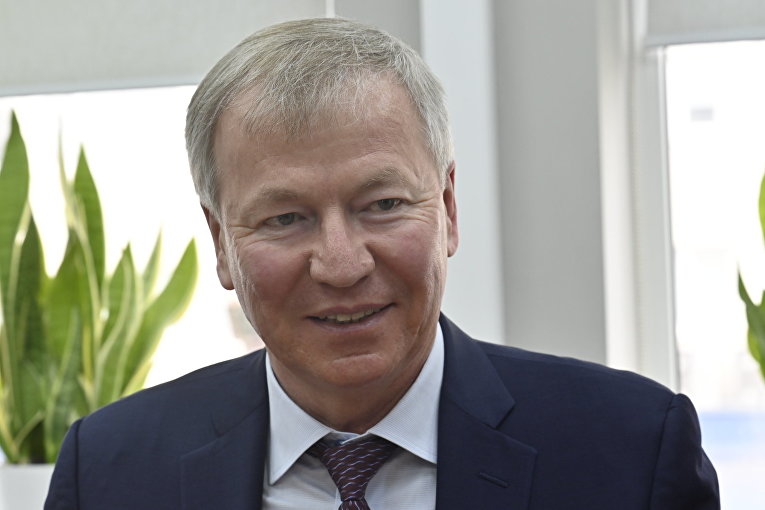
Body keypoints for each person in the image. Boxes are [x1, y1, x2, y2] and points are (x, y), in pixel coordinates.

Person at [45, 17, 719, 509]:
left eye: (383, 204)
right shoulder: (109, 474)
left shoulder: (631, 451)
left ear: (448, 207)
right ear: (221, 243)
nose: (341, 266)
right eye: (285, 218)